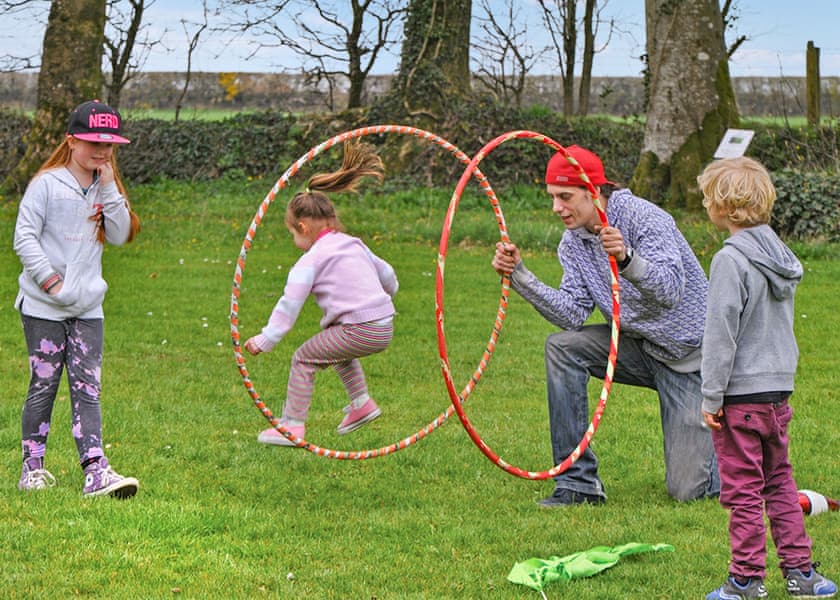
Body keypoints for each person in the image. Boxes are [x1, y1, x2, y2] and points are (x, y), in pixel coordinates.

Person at [491, 145, 719, 507]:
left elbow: (672, 291)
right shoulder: (574, 242)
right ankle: (578, 485)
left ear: (593, 191)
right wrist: (520, 276)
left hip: (688, 357)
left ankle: (730, 446)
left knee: (689, 491)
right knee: (562, 346)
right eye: (552, 197)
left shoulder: (646, 218)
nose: (556, 208)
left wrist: (627, 259)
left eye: (565, 197)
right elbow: (571, 314)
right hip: (635, 348)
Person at [698, 157, 836, 600]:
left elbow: (721, 333)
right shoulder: (781, 256)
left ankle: (745, 580)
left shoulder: (729, 261)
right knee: (780, 483)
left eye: (706, 198)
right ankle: (801, 575)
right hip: (777, 392)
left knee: (742, 492)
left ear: (722, 206)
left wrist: (711, 396)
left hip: (740, 397)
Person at [13, 99, 141, 498]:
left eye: (109, 145)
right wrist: (50, 282)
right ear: (71, 141)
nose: (101, 152)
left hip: (88, 309)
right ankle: (32, 466)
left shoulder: (106, 188)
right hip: (43, 309)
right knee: (44, 383)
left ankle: (95, 470)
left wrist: (109, 187)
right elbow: (24, 237)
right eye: (92, 143)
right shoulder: (47, 185)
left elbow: (120, 235)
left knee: (88, 387)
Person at [244, 140, 398, 446]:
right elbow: (388, 276)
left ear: (301, 226)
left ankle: (292, 428)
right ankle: (361, 404)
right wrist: (387, 293)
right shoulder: (353, 243)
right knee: (335, 342)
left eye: (291, 232)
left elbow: (290, 304)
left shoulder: (310, 260)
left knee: (303, 359)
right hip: (384, 326)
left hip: (361, 328)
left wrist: (266, 338)